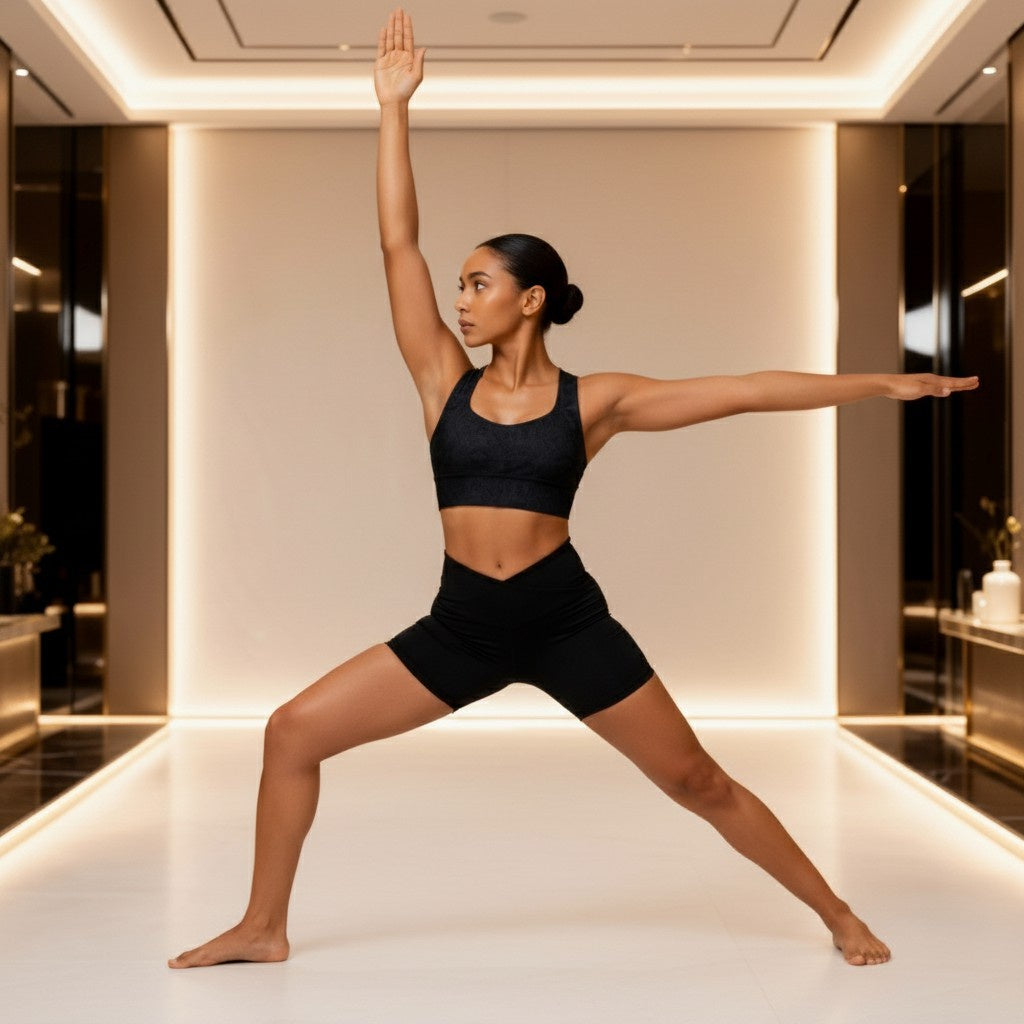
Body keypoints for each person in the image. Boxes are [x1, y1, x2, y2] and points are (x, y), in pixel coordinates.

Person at [169, 8, 979, 971]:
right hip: (461, 625)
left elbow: (745, 391)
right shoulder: (441, 381)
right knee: (291, 731)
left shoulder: (597, 402)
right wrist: (392, 111)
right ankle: (263, 926)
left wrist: (878, 383)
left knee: (697, 782)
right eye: (461, 285)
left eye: (478, 284)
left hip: (564, 620)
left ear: (531, 297)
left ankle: (839, 913)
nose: (460, 300)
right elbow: (398, 246)